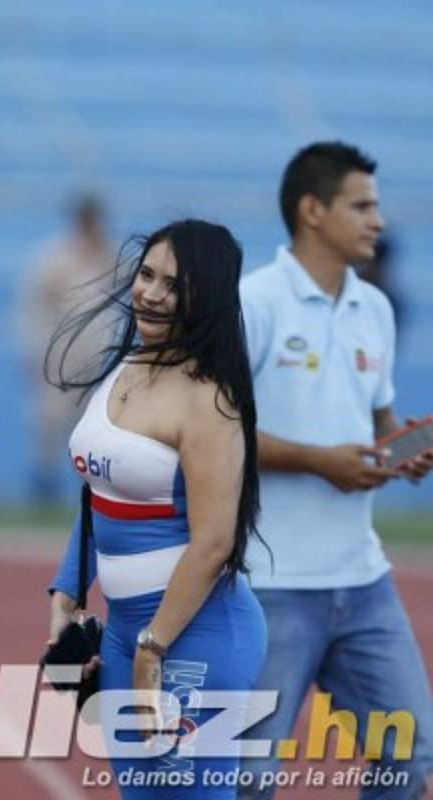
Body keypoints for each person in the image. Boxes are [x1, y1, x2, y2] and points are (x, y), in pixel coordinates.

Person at [237, 142, 433, 799]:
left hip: (362, 579)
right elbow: (213, 433)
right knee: (248, 779)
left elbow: (376, 422)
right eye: (363, 206)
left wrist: (402, 451)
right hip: (271, 583)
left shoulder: (375, 308)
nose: (379, 220)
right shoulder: (253, 302)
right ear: (312, 211)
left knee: (410, 757)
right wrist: (319, 462)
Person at [45, 219, 267, 798]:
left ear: (205, 299)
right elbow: (98, 495)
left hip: (195, 637)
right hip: (123, 637)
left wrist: (153, 649)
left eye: (174, 286)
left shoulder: (209, 400)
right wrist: (66, 595)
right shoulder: (123, 367)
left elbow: (214, 544)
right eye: (146, 275)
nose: (151, 293)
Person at [17, 193, 113, 502]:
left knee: (94, 424)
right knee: (50, 422)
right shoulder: (53, 257)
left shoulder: (108, 255)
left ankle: (95, 491)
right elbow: (34, 306)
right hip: (58, 354)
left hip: (97, 354)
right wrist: (32, 350)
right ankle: (45, 488)